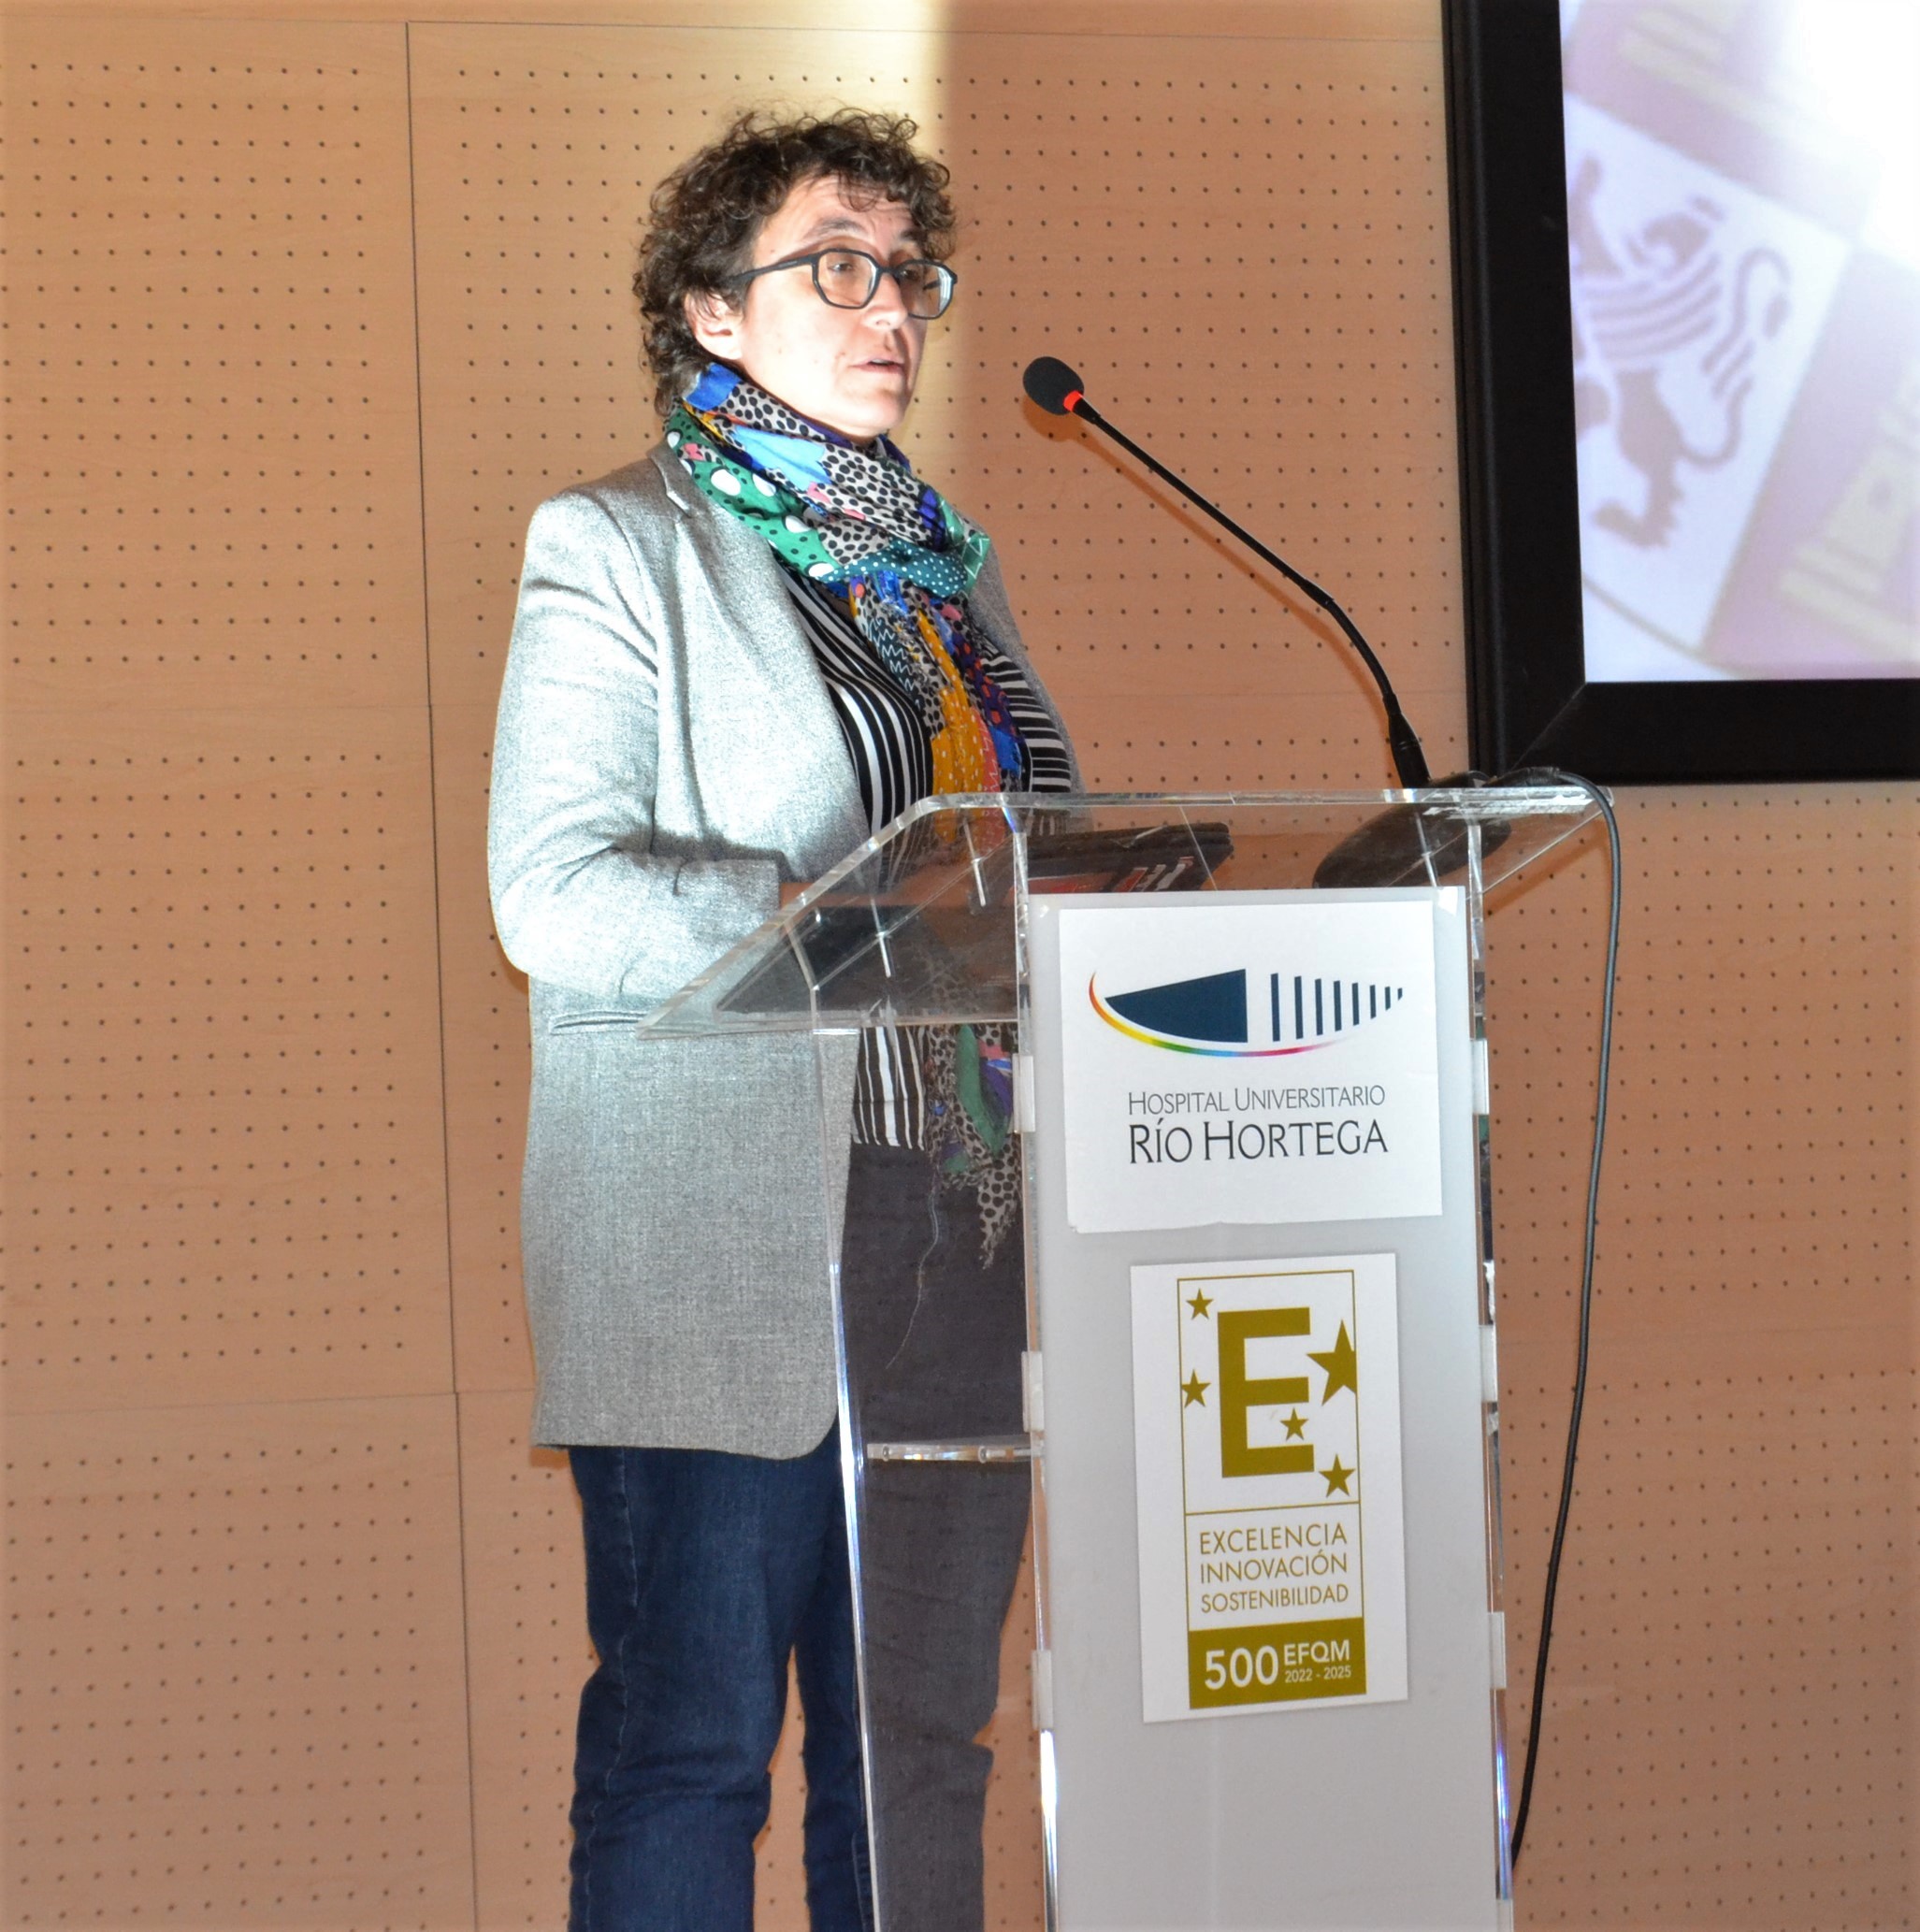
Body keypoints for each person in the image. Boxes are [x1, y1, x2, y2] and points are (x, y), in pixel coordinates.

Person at [487, 108, 1078, 1932]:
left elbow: (1013, 850)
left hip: (960, 1206)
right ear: (710, 309)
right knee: (694, 1742)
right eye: (837, 265)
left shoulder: (945, 576)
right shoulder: (618, 544)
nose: (890, 305)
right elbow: (550, 891)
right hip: (722, 1230)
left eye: (908, 272)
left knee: (919, 1747)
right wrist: (828, 917)